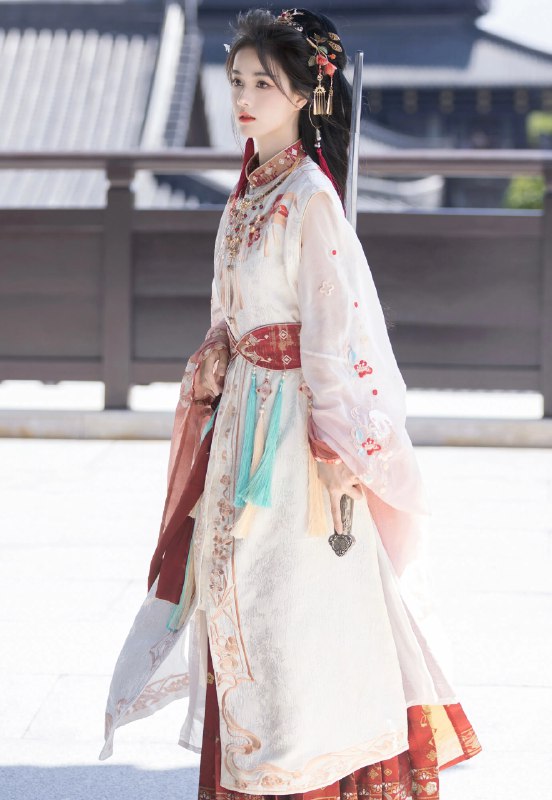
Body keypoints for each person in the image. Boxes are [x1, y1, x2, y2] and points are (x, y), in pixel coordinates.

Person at [98, 8, 482, 798]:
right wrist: (219, 347)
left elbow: (333, 334)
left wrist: (338, 448)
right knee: (236, 605)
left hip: (295, 437)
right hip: (242, 419)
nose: (243, 98)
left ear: (304, 95)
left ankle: (304, 779)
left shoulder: (309, 197)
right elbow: (232, 307)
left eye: (262, 85)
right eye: (237, 81)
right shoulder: (246, 191)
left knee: (291, 619)